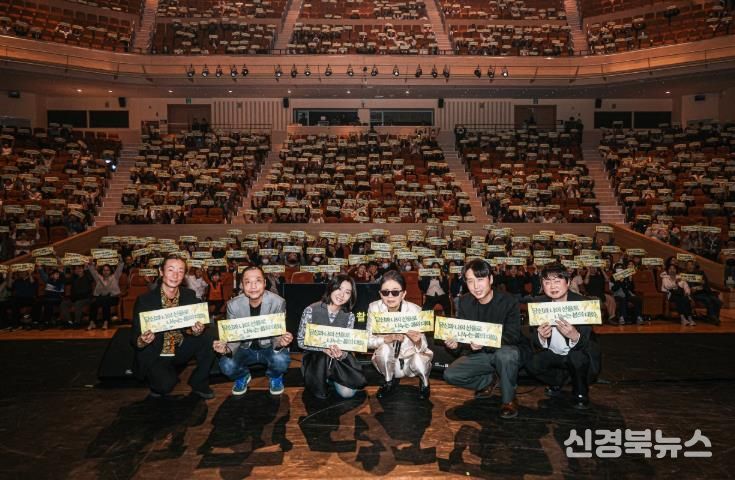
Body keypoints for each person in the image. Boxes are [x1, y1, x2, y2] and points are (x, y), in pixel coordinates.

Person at [442, 259, 522, 419]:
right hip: (480, 355)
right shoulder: (464, 301)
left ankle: (509, 399)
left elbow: (513, 336)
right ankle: (489, 381)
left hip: (504, 351)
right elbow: (463, 336)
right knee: (451, 375)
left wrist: (485, 341)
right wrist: (455, 345)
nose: (476, 286)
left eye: (480, 279)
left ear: (490, 279)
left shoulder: (509, 301)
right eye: (470, 281)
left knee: (506, 355)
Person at [132, 254, 216, 399]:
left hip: (180, 346)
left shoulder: (189, 295)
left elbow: (191, 328)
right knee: (164, 387)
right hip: (158, 351)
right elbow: (135, 338)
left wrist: (196, 330)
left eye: (180, 271)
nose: (175, 275)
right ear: (161, 271)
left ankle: (199, 381)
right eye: (170, 270)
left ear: (184, 275)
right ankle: (165, 373)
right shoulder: (145, 301)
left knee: (210, 335)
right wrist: (143, 340)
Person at [524, 263, 601, 410]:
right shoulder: (538, 304)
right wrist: (542, 337)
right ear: (542, 285)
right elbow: (533, 338)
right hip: (553, 353)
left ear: (568, 282)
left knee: (577, 357)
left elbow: (586, 340)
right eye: (547, 282)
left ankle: (580, 392)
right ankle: (557, 381)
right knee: (530, 363)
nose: (552, 286)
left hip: (577, 353)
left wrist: (574, 336)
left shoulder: (582, 303)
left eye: (557, 281)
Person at [212, 266, 293, 396]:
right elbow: (233, 337)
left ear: (265, 283)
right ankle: (242, 376)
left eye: (258, 281)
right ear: (242, 285)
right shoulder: (233, 305)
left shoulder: (278, 302)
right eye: (248, 282)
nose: (253, 286)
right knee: (226, 365)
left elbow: (277, 334)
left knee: (281, 360)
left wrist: (281, 343)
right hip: (244, 348)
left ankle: (275, 376)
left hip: (268, 346)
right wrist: (226, 350)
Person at [297, 274, 367, 400]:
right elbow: (301, 341)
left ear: (351, 296)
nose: (342, 295)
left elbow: (347, 348)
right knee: (318, 393)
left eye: (347, 292)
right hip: (316, 359)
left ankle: (331, 377)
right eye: (339, 289)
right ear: (331, 287)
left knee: (348, 393)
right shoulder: (311, 310)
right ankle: (323, 378)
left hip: (337, 361)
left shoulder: (349, 316)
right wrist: (322, 349)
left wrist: (341, 354)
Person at [366, 270, 433, 400]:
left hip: (410, 361)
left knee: (419, 359)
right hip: (389, 362)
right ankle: (388, 381)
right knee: (384, 349)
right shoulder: (374, 308)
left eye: (395, 292)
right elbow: (367, 340)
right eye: (385, 292)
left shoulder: (415, 310)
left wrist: (417, 341)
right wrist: (387, 339)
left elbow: (424, 346)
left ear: (403, 294)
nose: (390, 296)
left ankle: (425, 383)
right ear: (380, 294)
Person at [87, 257, 124, 330]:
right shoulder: (99, 278)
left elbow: (119, 268)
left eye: (107, 270)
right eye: (104, 270)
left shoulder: (115, 277)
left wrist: (120, 260)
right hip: (101, 298)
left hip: (113, 298)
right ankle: (92, 322)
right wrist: (90, 264)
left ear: (110, 271)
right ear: (102, 271)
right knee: (94, 303)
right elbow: (93, 271)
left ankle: (106, 322)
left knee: (105, 301)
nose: (106, 272)